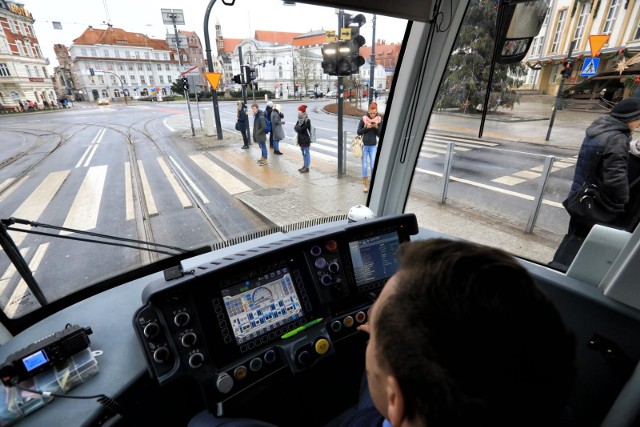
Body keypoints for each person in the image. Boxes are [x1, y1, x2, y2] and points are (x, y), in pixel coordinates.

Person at [189, 239, 575, 427]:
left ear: (395, 400)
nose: (365, 325)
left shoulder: (379, 411)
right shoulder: (533, 386)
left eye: (373, 330)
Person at [550, 97, 640, 271]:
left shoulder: (599, 130)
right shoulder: (618, 139)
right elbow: (615, 177)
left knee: (574, 235)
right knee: (586, 242)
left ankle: (557, 268)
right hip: (596, 200)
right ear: (631, 118)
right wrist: (623, 201)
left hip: (581, 194)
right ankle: (564, 274)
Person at [357, 102, 382, 193]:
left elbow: (380, 135)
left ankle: (374, 183)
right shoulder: (363, 119)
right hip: (364, 146)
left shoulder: (379, 120)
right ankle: (365, 184)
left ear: (376, 112)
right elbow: (359, 132)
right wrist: (367, 127)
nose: (372, 115)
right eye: (371, 113)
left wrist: (376, 127)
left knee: (372, 165)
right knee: (364, 165)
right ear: (368, 111)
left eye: (374, 113)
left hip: (373, 146)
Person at [294, 104, 311, 173]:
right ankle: (304, 165)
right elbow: (295, 128)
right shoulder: (299, 120)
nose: (298, 112)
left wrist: (298, 128)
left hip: (306, 140)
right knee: (303, 154)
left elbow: (301, 129)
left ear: (302, 112)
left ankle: (307, 167)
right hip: (301, 139)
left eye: (299, 111)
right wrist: (299, 128)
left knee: (306, 153)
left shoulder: (307, 120)